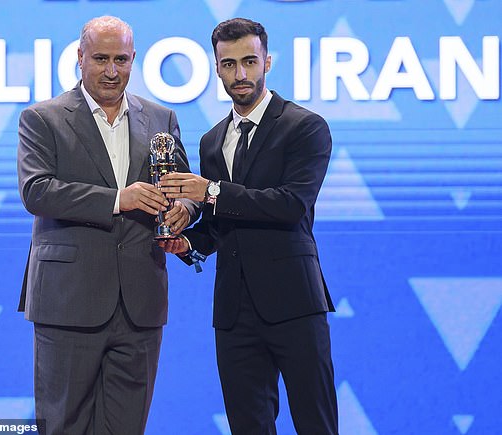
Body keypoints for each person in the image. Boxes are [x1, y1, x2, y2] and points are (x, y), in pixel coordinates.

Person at [17, 16, 200, 435]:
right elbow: (37, 191)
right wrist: (119, 199)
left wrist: (185, 211)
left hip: (140, 302)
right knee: (64, 426)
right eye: (101, 59)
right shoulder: (42, 118)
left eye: (121, 59)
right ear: (80, 57)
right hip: (68, 301)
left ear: (134, 59)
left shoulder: (161, 118)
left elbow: (185, 187)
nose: (112, 71)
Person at [159, 18, 338, 435]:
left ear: (267, 62)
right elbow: (220, 223)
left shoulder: (305, 126)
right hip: (234, 311)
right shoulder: (211, 141)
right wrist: (187, 243)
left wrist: (211, 191)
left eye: (249, 62)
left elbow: (291, 205)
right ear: (217, 68)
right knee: (247, 426)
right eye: (229, 64)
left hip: (294, 303)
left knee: (316, 423)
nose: (240, 73)